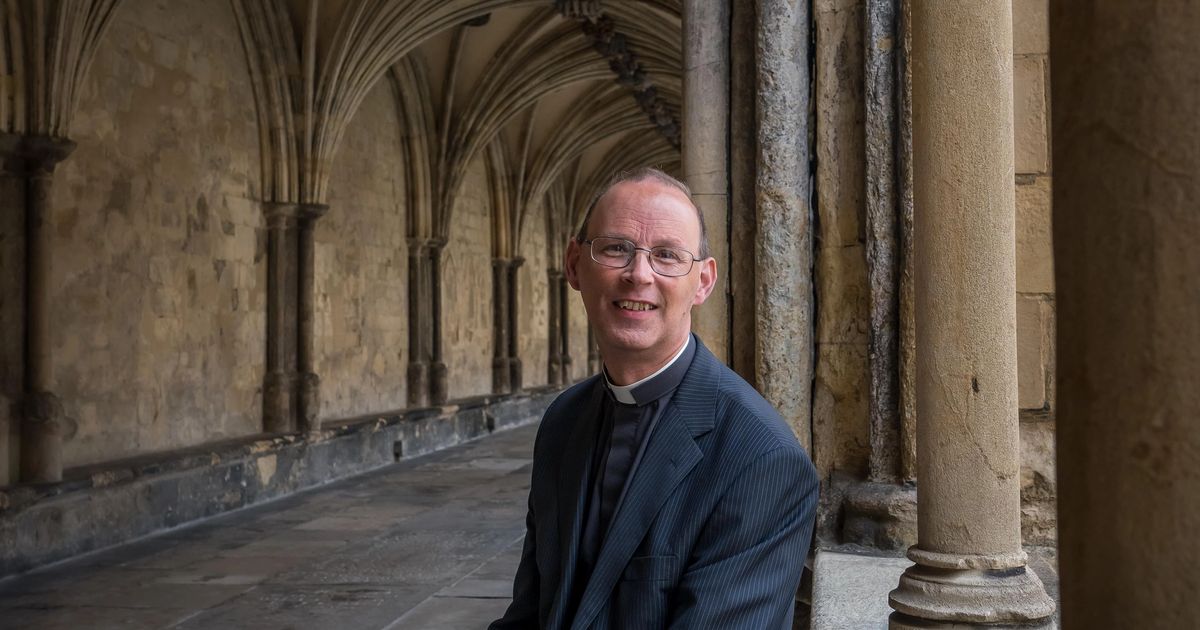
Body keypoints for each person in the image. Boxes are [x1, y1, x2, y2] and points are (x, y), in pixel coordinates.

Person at [489, 167, 818, 630]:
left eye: (667, 255)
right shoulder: (563, 420)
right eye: (616, 248)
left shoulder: (761, 459)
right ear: (573, 264)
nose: (638, 274)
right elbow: (530, 611)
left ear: (703, 281)